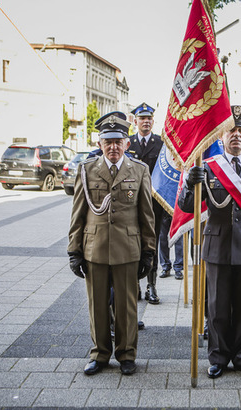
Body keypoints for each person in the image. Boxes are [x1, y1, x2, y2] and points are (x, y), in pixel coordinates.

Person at [178, 105, 241, 380]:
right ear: (221, 137)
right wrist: (190, 184)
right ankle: (218, 357)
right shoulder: (208, 168)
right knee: (217, 308)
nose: (236, 135)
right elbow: (187, 207)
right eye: (231, 130)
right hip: (218, 247)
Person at [67, 111, 156, 376]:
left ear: (127, 143)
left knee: (127, 306)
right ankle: (100, 354)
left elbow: (146, 215)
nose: (113, 147)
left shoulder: (139, 170)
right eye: (108, 141)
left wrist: (149, 251)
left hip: (128, 249)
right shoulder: (87, 170)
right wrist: (74, 249)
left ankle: (127, 354)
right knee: (97, 305)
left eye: (118, 141)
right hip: (94, 248)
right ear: (99, 143)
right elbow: (78, 213)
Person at [128, 102, 164, 304]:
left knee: (151, 244)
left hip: (153, 204)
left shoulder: (160, 144)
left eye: (149, 118)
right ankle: (136, 285)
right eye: (142, 118)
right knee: (132, 243)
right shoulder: (129, 144)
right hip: (130, 204)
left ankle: (152, 286)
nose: (146, 122)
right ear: (135, 121)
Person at [158, 211, 184, 279]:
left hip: (177, 210)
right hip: (164, 210)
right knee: (163, 240)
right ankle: (165, 267)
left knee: (179, 241)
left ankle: (178, 268)